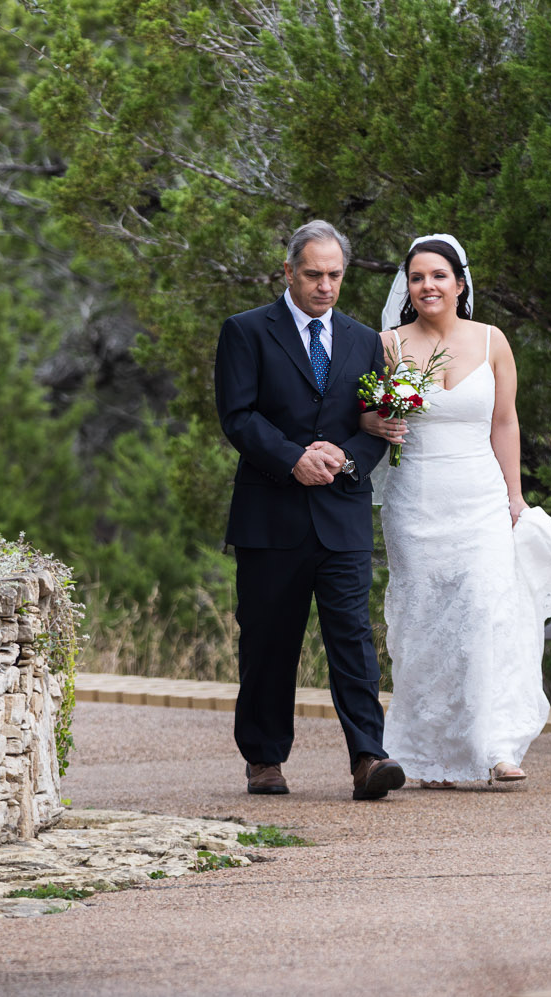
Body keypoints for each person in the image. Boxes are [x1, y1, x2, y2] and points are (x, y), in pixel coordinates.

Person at [364, 233, 551, 786]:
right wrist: (372, 421)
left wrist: (515, 495)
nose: (427, 286)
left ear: (460, 283)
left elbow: (505, 421)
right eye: (417, 277)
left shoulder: (491, 341)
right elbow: (361, 414)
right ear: (406, 287)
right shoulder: (386, 346)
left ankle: (493, 745)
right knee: (422, 623)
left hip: (480, 499)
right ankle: (420, 747)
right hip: (415, 503)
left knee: (484, 614)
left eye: (438, 276)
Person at [213, 220, 407, 801]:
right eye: (314, 274)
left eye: (335, 275)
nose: (326, 286)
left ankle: (368, 758)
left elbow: (381, 425)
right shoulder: (246, 332)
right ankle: (265, 760)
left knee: (352, 636)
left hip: (341, 514)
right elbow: (238, 417)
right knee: (270, 641)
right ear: (290, 271)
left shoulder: (364, 341)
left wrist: (347, 456)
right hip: (270, 517)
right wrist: (293, 457)